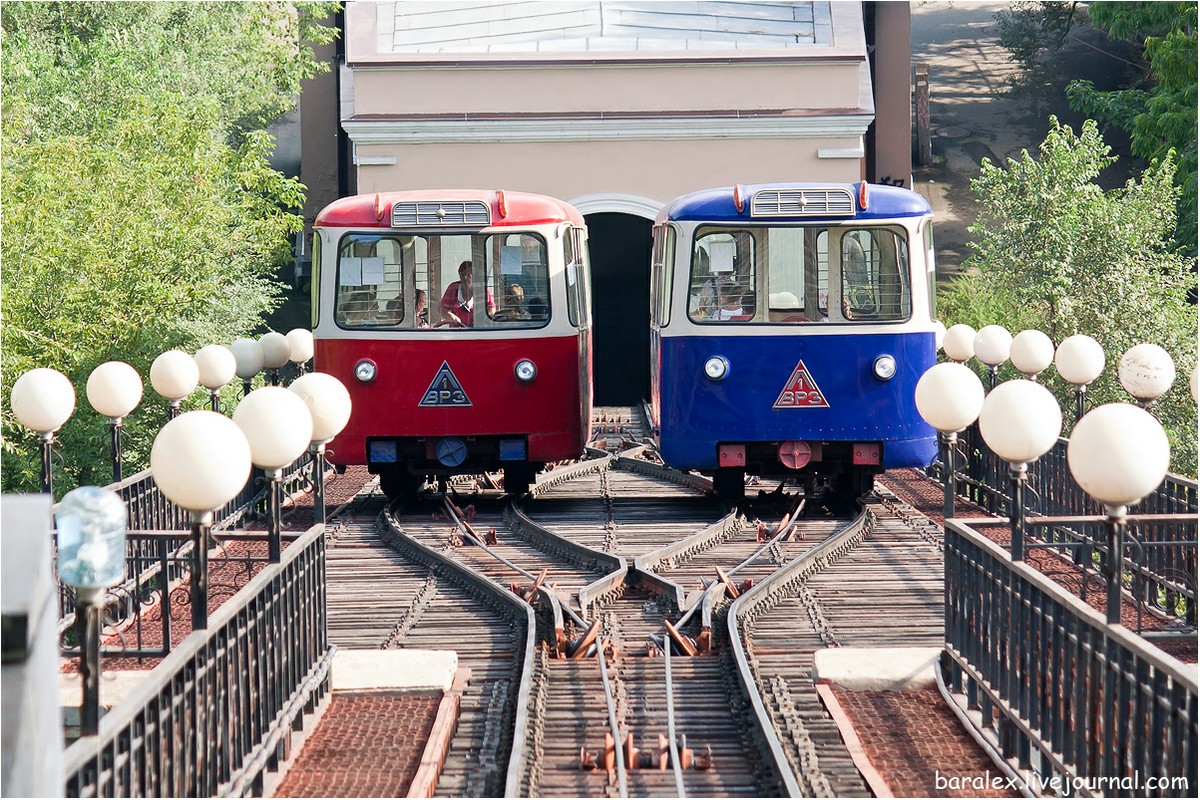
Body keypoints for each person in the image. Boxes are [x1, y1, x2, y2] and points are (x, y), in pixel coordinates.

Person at [439, 260, 495, 327]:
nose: (465, 278)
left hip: (478, 330)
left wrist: (482, 319)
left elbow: (492, 308)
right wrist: (452, 317)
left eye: (468, 275)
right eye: (462, 274)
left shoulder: (482, 289)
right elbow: (442, 309)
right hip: (457, 331)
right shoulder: (453, 288)